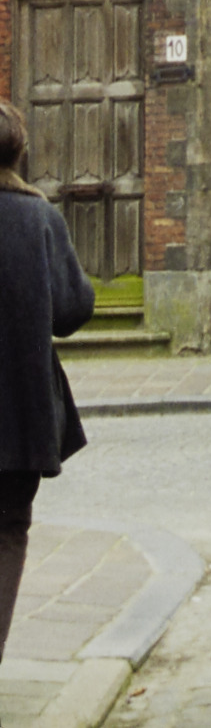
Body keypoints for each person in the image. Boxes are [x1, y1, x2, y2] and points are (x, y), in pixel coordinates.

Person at [0, 99, 93, 663]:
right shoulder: (38, 219)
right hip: (19, 412)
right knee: (9, 530)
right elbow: (73, 309)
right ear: (19, 151)